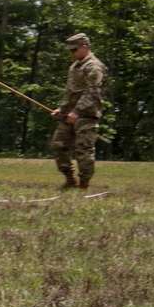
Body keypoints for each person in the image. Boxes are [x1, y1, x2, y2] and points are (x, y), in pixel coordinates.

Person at [51, 33, 106, 191]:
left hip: (86, 115)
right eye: (70, 50)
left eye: (74, 49)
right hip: (68, 115)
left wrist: (76, 111)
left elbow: (92, 92)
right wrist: (61, 109)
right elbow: (70, 92)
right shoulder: (75, 66)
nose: (72, 53)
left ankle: (84, 185)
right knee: (58, 145)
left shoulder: (94, 66)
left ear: (85, 46)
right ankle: (70, 180)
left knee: (83, 150)